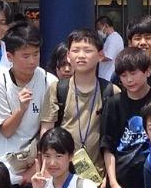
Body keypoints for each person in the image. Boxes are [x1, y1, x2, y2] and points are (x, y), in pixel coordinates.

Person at [0, 24, 46, 182]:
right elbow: (6, 131)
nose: (32, 61)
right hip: (2, 165)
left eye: (36, 54)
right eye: (25, 56)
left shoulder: (48, 81)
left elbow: (47, 129)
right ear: (10, 57)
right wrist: (21, 109)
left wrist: (39, 165)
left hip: (33, 166)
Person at [38, 27, 108, 172]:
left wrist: (110, 177)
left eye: (88, 51)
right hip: (62, 173)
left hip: (99, 174)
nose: (81, 55)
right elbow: (47, 132)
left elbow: (115, 139)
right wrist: (45, 170)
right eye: (76, 51)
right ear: (69, 55)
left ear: (100, 55)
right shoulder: (57, 89)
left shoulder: (110, 91)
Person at [98, 45, 151, 188]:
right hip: (122, 186)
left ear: (147, 71)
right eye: (124, 75)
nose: (129, 80)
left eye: (133, 73)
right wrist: (114, 183)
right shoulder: (113, 104)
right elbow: (108, 146)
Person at [95, 11, 125, 83]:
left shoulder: (114, 38)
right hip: (105, 76)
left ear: (105, 26)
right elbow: (103, 53)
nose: (98, 31)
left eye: (99, 28)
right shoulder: (109, 38)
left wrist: (93, 59)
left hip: (109, 76)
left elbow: (108, 57)